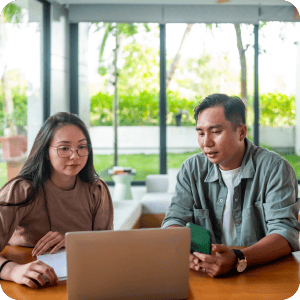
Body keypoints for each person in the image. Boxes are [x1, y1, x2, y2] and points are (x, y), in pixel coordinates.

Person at [161, 93, 300, 277]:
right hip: (204, 273)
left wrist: (237, 259)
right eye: (201, 133)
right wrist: (181, 250)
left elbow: (285, 233)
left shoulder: (275, 169)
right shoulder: (191, 169)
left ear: (241, 132)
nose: (206, 142)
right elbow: (174, 220)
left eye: (216, 132)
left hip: (261, 272)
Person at [0, 112, 113, 288]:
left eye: (82, 147)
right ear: (46, 151)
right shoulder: (21, 190)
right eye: (64, 148)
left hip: (82, 282)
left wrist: (74, 242)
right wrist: (13, 270)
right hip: (27, 283)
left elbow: (107, 248)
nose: (75, 156)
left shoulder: (96, 190)